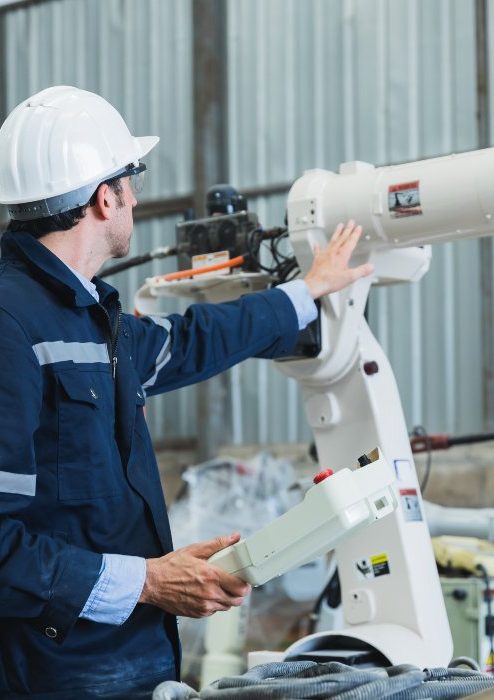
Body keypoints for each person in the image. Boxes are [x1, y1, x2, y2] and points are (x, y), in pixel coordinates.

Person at [0, 85, 373, 699]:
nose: (137, 197)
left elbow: (197, 338)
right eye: (132, 179)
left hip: (133, 655)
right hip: (57, 674)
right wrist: (147, 581)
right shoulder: (12, 326)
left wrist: (305, 293)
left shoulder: (92, 317)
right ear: (103, 198)